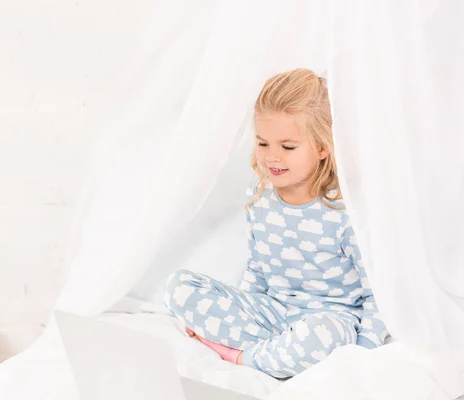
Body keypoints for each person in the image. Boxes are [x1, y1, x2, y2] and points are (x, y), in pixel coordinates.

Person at [163, 68, 388, 379]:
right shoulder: (261, 199)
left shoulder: (342, 212)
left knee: (323, 338)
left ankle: (243, 357)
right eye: (263, 143)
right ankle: (277, 352)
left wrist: (362, 352)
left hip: (328, 321)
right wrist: (237, 311)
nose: (272, 157)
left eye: (288, 146)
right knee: (179, 287)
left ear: (322, 147)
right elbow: (258, 271)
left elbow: (376, 294)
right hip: (272, 312)